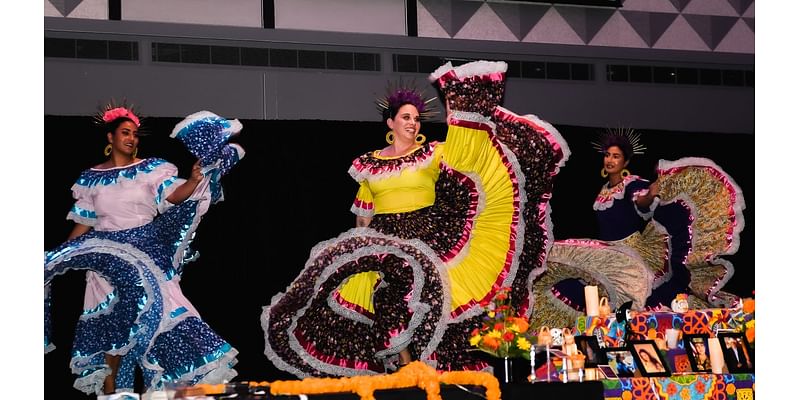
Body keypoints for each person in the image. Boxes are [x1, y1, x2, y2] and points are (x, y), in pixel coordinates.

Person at [262, 61, 571, 377]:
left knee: (430, 302)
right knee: (386, 300)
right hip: (383, 239)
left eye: (416, 119)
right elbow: (364, 216)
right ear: (390, 122)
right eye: (406, 117)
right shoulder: (368, 164)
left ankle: (428, 368)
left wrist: (465, 113)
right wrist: (360, 249)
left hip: (425, 234)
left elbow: (465, 159)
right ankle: (406, 367)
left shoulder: (433, 154)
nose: (413, 123)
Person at [45, 106, 244, 395]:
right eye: (125, 133)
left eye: (135, 134)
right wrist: (59, 255)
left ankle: (165, 386)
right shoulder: (91, 178)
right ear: (110, 137)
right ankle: (114, 393)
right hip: (105, 260)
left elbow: (173, 196)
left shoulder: (151, 169)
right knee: (113, 330)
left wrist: (192, 180)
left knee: (163, 315)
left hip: (147, 253)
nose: (132, 138)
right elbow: (84, 223)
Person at [529, 129, 746, 329]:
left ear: (626, 161)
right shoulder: (604, 190)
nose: (610, 160)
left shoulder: (631, 183)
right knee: (577, 284)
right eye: (607, 155)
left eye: (616, 156)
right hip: (608, 253)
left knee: (568, 254)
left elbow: (641, 202)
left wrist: (650, 195)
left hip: (629, 253)